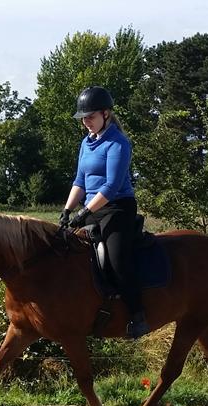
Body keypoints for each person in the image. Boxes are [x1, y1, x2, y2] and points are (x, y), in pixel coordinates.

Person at [58, 86, 148, 339]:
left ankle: (137, 314)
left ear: (106, 114)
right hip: (91, 208)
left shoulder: (118, 142)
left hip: (117, 208)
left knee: (117, 259)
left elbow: (111, 186)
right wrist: (67, 210)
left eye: (90, 117)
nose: (86, 122)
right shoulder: (86, 143)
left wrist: (84, 212)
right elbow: (79, 181)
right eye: (83, 118)